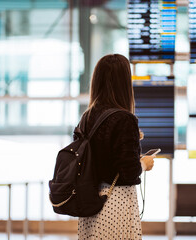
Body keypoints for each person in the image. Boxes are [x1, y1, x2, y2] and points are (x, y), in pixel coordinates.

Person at [77, 54, 154, 239]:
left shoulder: (86, 117)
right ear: (124, 83)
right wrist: (145, 163)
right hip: (115, 203)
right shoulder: (125, 119)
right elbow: (129, 171)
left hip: (90, 203)